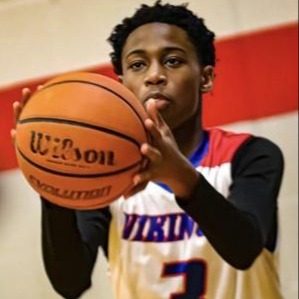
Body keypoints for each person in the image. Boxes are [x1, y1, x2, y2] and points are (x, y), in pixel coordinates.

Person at [12, 1, 284, 298]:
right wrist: (53, 182)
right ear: (123, 85)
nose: (154, 75)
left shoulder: (250, 155)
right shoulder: (106, 177)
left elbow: (244, 250)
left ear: (205, 78)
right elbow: (70, 282)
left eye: (173, 60)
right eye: (138, 65)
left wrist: (181, 178)